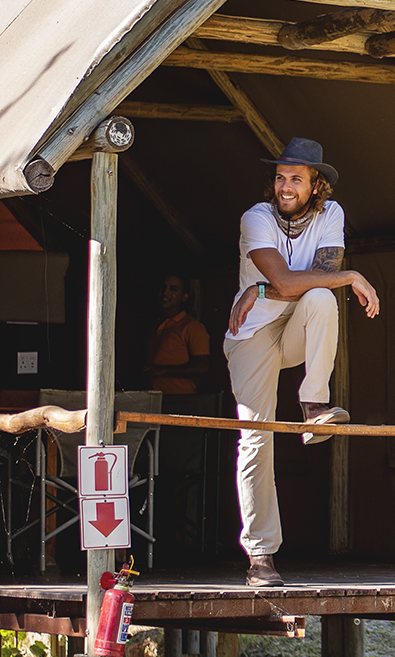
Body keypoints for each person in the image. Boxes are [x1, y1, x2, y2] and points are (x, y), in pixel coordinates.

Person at [224, 137, 380, 587]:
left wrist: (265, 289)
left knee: (320, 299)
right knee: (256, 439)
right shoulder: (256, 216)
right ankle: (261, 555)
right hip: (251, 335)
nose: (285, 186)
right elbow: (284, 278)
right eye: (279, 177)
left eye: (296, 178)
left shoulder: (331, 215)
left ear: (317, 185)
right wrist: (349, 275)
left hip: (295, 328)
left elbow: (317, 283)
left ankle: (314, 406)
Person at [145, 273, 210, 394]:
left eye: (173, 289)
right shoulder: (156, 325)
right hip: (153, 398)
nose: (165, 292)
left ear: (184, 297)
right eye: (163, 287)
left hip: (180, 399)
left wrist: (163, 371)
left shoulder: (192, 327)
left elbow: (203, 367)